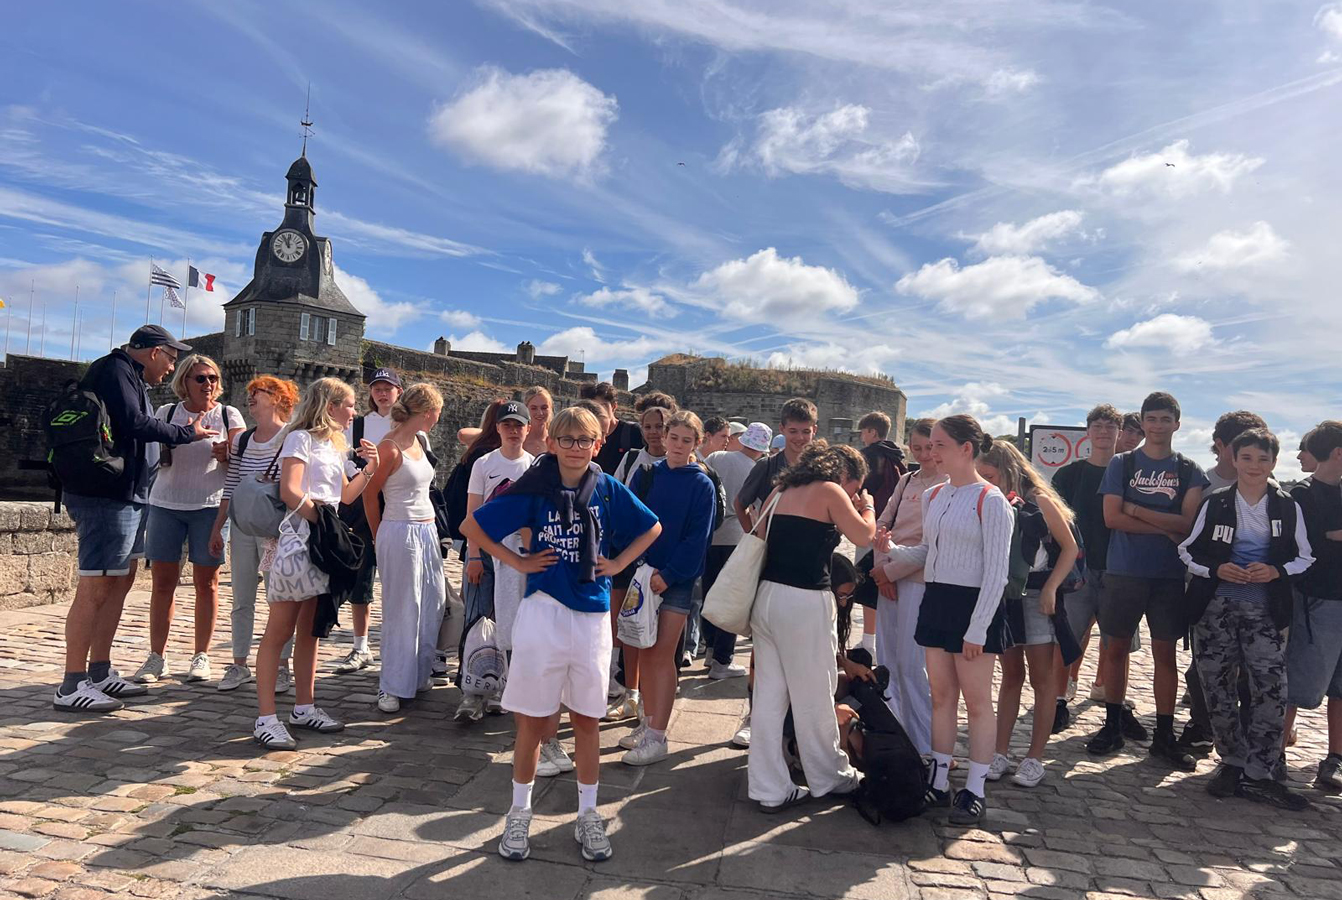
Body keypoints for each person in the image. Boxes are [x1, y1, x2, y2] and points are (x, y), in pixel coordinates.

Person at [460, 406, 661, 863]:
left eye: (584, 441)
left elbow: (652, 526)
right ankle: (519, 812)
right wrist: (517, 562)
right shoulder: (534, 487)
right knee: (532, 721)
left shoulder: (607, 488)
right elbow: (473, 526)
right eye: (566, 440)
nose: (575, 448)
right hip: (543, 611)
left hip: (590, 615)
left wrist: (619, 563)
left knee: (587, 720)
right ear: (550, 443)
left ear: (597, 445)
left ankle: (588, 815)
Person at [54, 325, 218, 713]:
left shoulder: (129, 376)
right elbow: (133, 424)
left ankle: (99, 671)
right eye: (171, 358)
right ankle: (70, 683)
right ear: (154, 352)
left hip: (126, 496)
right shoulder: (115, 370)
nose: (172, 366)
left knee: (117, 585)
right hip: (104, 497)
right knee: (95, 587)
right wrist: (185, 433)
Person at [884, 415, 1014, 826]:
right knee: (941, 697)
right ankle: (939, 780)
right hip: (936, 600)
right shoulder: (935, 496)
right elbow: (929, 553)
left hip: (973, 606)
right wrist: (893, 553)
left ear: (965, 449)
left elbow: (997, 572)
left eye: (939, 444)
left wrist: (977, 628)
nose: (931, 451)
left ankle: (975, 788)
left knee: (977, 703)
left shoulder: (991, 500)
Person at [1179, 428, 1313, 810]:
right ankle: (1232, 761)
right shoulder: (1217, 502)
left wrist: (1275, 571)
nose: (1255, 466)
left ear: (1274, 462)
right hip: (1215, 610)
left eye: (1264, 459)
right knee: (1216, 686)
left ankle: (1262, 771)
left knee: (1271, 687)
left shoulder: (1287, 506)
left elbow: (1305, 556)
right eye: (1248, 458)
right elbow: (1189, 551)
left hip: (1265, 612)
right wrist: (1217, 569)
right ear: (1234, 460)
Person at [251, 378, 379, 750]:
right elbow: (289, 490)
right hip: (300, 538)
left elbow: (345, 494)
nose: (354, 411)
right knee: (280, 628)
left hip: (321, 538)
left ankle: (304, 706)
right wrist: (321, 522)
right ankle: (266, 716)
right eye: (350, 404)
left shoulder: (333, 445)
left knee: (311, 628)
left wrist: (370, 467)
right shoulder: (300, 438)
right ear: (331, 404)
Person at [748, 441, 873, 812]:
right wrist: (868, 508)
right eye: (856, 486)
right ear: (845, 474)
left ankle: (769, 787)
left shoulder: (781, 489)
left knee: (770, 698)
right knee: (816, 693)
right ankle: (829, 776)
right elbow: (863, 536)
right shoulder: (831, 490)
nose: (853, 495)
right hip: (803, 600)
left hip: (767, 596)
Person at [1087, 392, 1208, 770]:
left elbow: (1188, 524)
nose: (1157, 426)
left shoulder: (1189, 469)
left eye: (1164, 419)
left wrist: (1135, 509)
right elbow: (1111, 518)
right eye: (1150, 419)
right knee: (1116, 650)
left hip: (1168, 576)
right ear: (1142, 421)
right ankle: (1111, 725)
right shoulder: (1122, 464)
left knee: (1164, 655)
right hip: (1123, 570)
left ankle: (1164, 735)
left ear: (1177, 422)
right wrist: (1161, 523)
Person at [132, 354, 244, 685]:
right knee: (163, 585)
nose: (208, 384)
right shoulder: (167, 413)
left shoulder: (228, 414)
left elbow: (245, 453)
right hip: (165, 504)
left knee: (206, 584)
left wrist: (229, 452)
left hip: (209, 507)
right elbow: (148, 448)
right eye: (200, 378)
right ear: (184, 382)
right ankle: (157, 657)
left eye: (212, 377)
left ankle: (201, 655)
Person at [977, 441, 1078, 788]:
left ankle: (1035, 757)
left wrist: (1051, 588)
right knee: (1010, 675)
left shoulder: (1040, 502)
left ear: (1008, 471)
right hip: (1004, 594)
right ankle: (1000, 752)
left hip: (1036, 593)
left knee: (1043, 678)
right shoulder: (991, 501)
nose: (983, 481)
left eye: (988, 475)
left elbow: (1070, 548)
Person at [620, 411, 717, 766]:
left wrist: (671, 573)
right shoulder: (649, 475)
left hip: (676, 581)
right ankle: (648, 723)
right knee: (645, 651)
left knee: (661, 655)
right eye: (672, 437)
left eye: (685, 440)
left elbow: (697, 538)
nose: (677, 445)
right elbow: (631, 519)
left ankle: (658, 736)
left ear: (697, 443)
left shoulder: (701, 483)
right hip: (644, 575)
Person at [1051, 404, 1144, 737]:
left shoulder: (1132, 475)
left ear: (1120, 433)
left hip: (1121, 569)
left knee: (1117, 644)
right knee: (1067, 640)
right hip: (1078, 570)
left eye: (1110, 426)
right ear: (1087, 431)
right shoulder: (1069, 475)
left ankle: (1114, 711)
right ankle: (1057, 702)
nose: (1104, 432)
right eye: (1097, 426)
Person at [1180, 410, 1269, 752]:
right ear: (1220, 446)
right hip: (1208, 592)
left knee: (1249, 673)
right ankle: (1205, 727)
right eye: (1240, 447)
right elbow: (1187, 540)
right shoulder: (1202, 487)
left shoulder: (1272, 494)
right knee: (1202, 669)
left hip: (1254, 598)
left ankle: (1244, 740)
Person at [210, 376, 300, 693]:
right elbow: (231, 485)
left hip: (276, 529)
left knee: (281, 600)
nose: (250, 398)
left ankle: (282, 667)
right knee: (242, 597)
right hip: (243, 526)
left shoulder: (292, 438)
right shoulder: (242, 441)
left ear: (277, 398)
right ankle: (239, 664)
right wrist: (218, 526)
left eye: (257, 393)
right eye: (249, 393)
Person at [364, 384, 447, 713]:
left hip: (426, 531)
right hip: (399, 530)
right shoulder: (389, 447)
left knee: (432, 603)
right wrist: (377, 536)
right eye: (438, 411)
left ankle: (416, 674)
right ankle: (391, 684)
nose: (439, 417)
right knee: (402, 608)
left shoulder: (420, 441)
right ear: (428, 411)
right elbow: (370, 496)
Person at [871, 418, 946, 755]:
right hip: (889, 577)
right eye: (917, 448)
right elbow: (882, 526)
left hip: (917, 581)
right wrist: (880, 570)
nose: (924, 455)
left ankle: (925, 742)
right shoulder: (906, 480)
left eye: (930, 447)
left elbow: (932, 546)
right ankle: (894, 729)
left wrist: (891, 571)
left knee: (912, 665)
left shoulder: (946, 485)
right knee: (887, 659)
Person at [457, 400, 535, 722]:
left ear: (527, 429)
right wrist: (473, 555)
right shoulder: (484, 464)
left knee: (513, 622)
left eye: (519, 425)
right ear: (498, 428)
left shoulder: (534, 466)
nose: (513, 431)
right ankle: (471, 691)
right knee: (477, 618)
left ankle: (504, 686)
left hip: (516, 553)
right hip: (486, 552)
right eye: (507, 425)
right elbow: (473, 513)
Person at [606, 403, 674, 719]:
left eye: (660, 426)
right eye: (648, 426)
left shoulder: (684, 464)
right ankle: (631, 692)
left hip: (664, 556)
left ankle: (651, 694)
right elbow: (615, 498)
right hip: (630, 552)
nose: (654, 432)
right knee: (627, 624)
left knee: (660, 631)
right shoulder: (632, 459)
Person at [335, 368, 405, 675]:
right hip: (362, 504)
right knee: (361, 577)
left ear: (399, 392)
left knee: (398, 579)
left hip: (396, 504)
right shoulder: (359, 424)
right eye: (377, 387)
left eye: (388, 388)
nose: (382, 392)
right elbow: (343, 457)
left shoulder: (407, 426)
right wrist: (363, 471)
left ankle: (398, 645)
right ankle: (361, 646)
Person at [1284, 422, 1342, 791]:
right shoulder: (1303, 495)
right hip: (1317, 600)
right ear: (1338, 453)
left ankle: (1334, 757)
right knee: (1296, 682)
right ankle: (1272, 752)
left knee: (1341, 687)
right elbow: (1317, 543)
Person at [702, 422, 772, 679]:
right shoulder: (757, 470)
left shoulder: (717, 456)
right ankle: (723, 660)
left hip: (709, 534)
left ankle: (710, 649)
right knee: (732, 598)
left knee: (710, 592)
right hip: (736, 536)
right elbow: (755, 508)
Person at [735, 398, 819, 534]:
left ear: (814, 430)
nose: (799, 437)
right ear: (782, 429)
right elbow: (740, 504)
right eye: (793, 431)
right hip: (773, 548)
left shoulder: (822, 468)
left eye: (805, 431)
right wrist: (753, 536)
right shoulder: (766, 466)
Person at [581, 381, 644, 475]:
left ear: (614, 406)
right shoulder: (580, 436)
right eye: (592, 407)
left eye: (603, 406)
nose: (598, 411)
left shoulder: (633, 432)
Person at [523, 386, 553, 457]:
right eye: (534, 408)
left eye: (544, 408)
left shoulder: (556, 442)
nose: (540, 413)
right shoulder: (519, 441)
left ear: (551, 408)